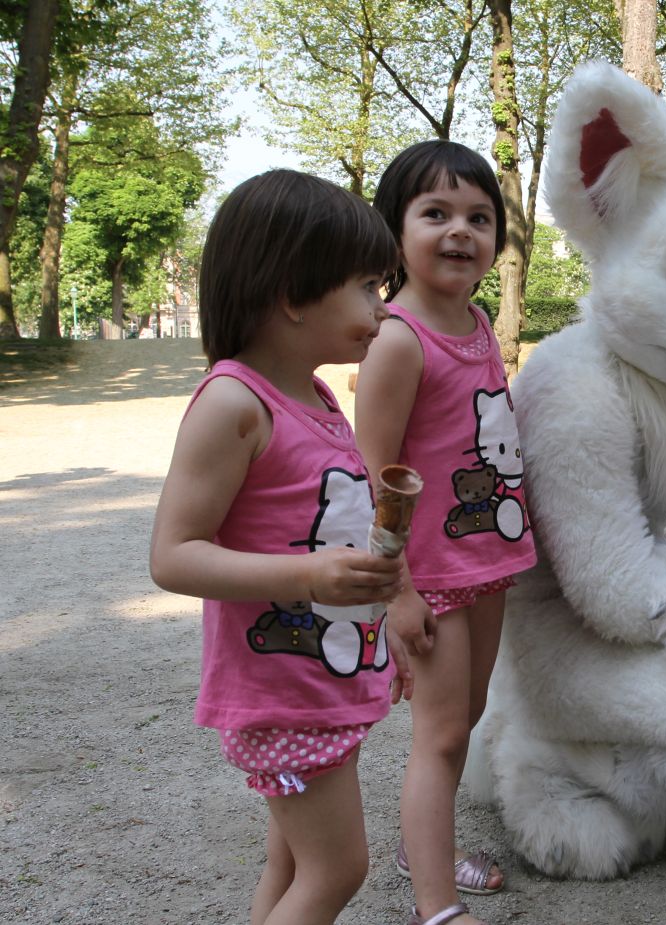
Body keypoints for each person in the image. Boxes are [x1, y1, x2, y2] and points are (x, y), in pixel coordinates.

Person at [148, 170, 404, 925]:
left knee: (291, 861)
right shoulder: (235, 403)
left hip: (321, 679)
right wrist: (310, 572)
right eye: (366, 287)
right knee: (337, 870)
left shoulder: (320, 396)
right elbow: (173, 553)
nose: (381, 311)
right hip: (280, 693)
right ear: (294, 293)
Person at [355, 140, 538, 925]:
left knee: (461, 717)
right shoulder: (395, 339)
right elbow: (373, 478)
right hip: (425, 574)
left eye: (479, 216)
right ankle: (437, 904)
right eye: (435, 214)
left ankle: (417, 845)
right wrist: (394, 593)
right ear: (395, 233)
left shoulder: (479, 324)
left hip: (487, 560)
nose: (460, 230)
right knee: (436, 735)